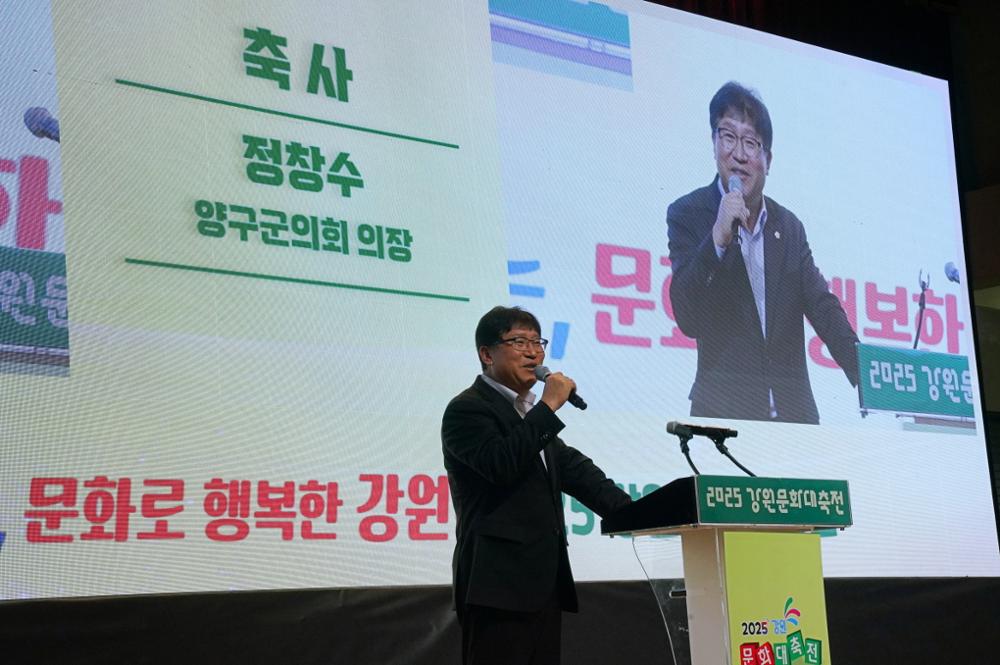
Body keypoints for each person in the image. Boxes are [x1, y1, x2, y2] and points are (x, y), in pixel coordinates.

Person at [441, 306, 631, 665]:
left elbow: (578, 472)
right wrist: (548, 405)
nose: (533, 353)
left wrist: (639, 513)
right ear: (487, 354)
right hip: (497, 588)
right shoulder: (467, 410)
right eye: (519, 342)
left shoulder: (528, 414)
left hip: (543, 587)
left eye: (537, 343)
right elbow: (500, 465)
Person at [667, 81, 859, 424]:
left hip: (793, 421)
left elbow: (823, 307)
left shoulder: (789, 227)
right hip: (723, 419)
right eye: (728, 136)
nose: (739, 154)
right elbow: (687, 317)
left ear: (767, 160)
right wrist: (717, 238)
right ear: (714, 144)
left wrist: (868, 374)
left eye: (751, 143)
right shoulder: (688, 213)